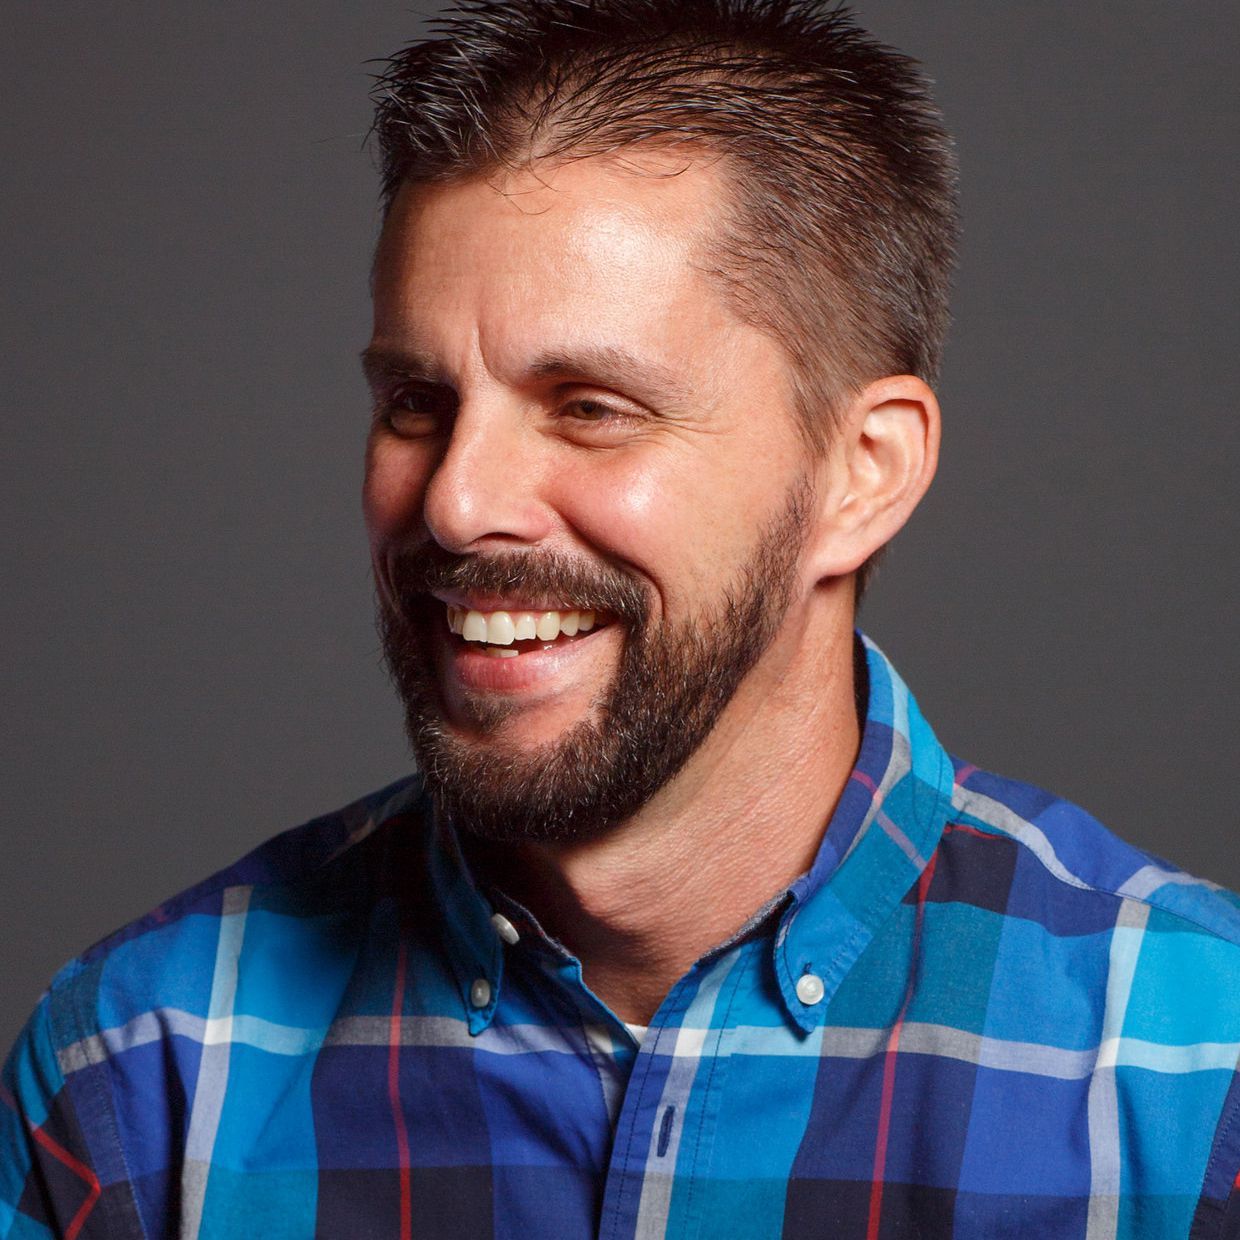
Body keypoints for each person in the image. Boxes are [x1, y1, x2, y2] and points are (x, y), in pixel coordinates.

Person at [3, 0, 1238, 1235]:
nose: (456, 503)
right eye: (418, 401)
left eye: (589, 406)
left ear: (861, 473)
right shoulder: (140, 1078)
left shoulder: (1193, 1077)